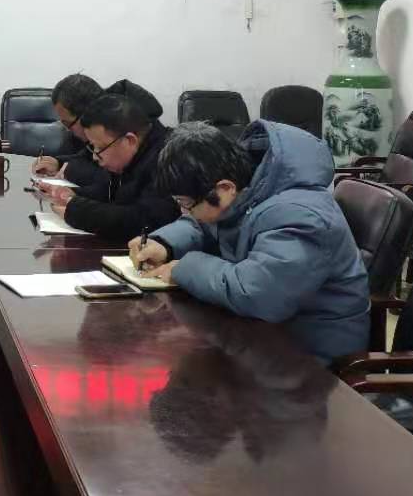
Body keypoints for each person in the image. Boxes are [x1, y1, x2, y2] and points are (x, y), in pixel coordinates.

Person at [129, 121, 369, 363]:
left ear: (224, 189)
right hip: (262, 338)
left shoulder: (301, 216)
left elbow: (259, 295)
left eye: (186, 203)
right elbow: (205, 224)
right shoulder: (248, 181)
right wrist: (164, 243)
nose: (185, 211)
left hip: (311, 358)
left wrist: (184, 268)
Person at [35, 92, 178, 242]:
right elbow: (113, 193)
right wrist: (72, 195)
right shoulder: (133, 154)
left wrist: (78, 212)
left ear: (129, 140)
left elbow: (144, 222)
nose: (95, 156)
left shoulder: (169, 160)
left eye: (100, 148)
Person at [32, 74, 164, 187]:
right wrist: (59, 163)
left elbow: (116, 183)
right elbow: (85, 156)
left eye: (68, 125)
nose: (69, 131)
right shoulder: (100, 130)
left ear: (86, 115)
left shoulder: (134, 133)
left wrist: (71, 172)